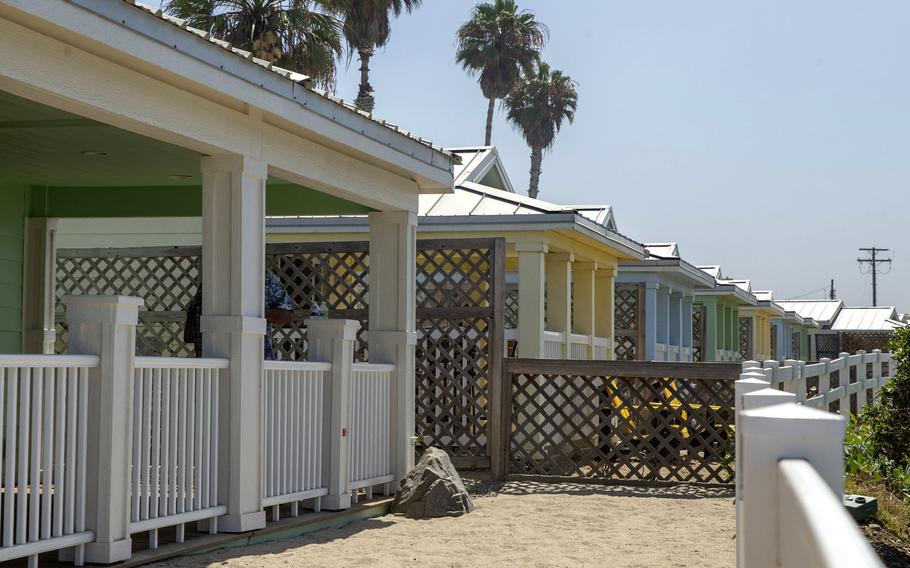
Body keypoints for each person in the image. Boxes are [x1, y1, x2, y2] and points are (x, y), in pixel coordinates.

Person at [183, 270, 293, 360]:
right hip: (215, 366)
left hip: (251, 366)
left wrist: (249, 313)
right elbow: (189, 335)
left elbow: (287, 315)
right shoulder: (209, 280)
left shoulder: (264, 278)